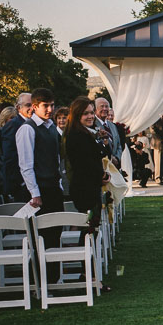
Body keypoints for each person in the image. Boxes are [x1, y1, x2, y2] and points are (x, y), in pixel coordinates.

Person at [16, 88, 64, 282]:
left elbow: (57, 158)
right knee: (40, 238)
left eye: (52, 105)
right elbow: (26, 165)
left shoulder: (52, 127)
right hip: (39, 191)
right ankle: (40, 283)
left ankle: (54, 279)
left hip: (53, 188)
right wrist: (34, 193)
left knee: (55, 234)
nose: (50, 109)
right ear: (35, 106)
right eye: (46, 105)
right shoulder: (27, 129)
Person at [62, 97, 110, 247]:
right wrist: (101, 175)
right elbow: (85, 163)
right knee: (88, 228)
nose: (90, 116)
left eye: (91, 113)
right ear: (77, 115)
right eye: (85, 114)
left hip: (91, 185)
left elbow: (101, 153)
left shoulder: (88, 133)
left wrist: (102, 140)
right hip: (84, 188)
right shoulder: (76, 135)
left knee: (92, 228)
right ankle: (86, 265)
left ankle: (89, 263)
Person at [1, 93, 33, 201]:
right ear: (19, 107)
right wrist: (20, 183)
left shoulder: (34, 124)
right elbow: (10, 157)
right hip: (20, 184)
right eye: (28, 105)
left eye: (34, 105)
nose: (32, 108)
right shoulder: (13, 125)